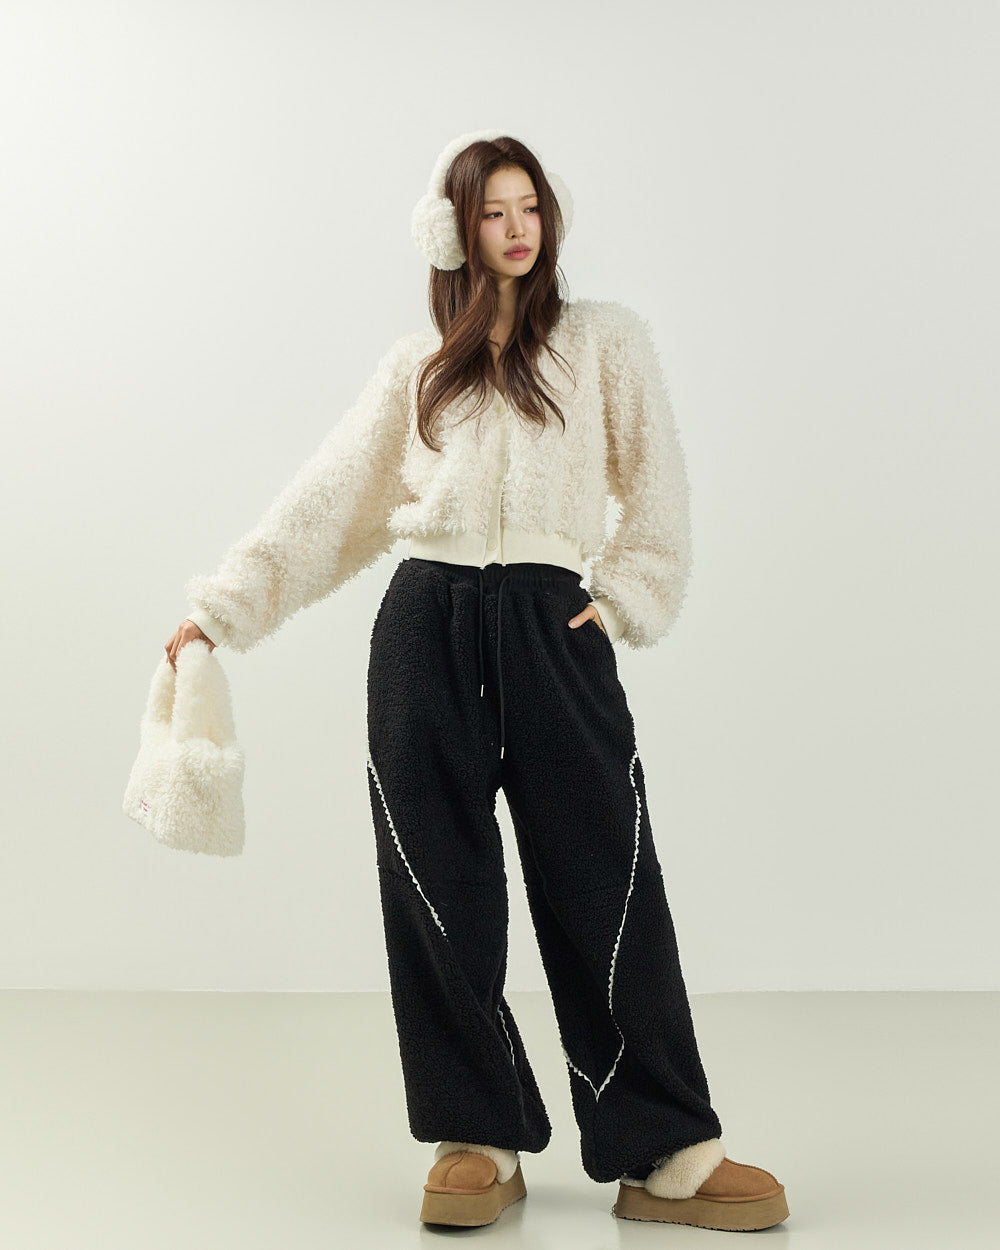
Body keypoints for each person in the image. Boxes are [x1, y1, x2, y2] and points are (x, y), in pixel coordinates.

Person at [164, 129, 789, 1233]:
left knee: (607, 875)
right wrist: (221, 608)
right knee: (434, 884)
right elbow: (327, 505)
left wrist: (624, 597)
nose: (515, 228)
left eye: (529, 207)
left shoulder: (605, 341)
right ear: (455, 230)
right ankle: (475, 1136)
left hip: (554, 627)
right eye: (493, 210)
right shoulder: (416, 369)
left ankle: (664, 1149)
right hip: (424, 630)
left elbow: (659, 493)